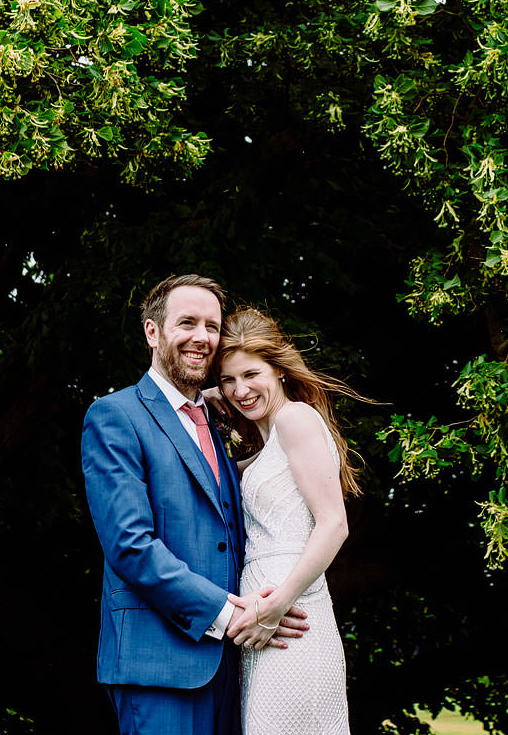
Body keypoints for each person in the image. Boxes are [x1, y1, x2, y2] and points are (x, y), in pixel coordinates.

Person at [81, 274, 308, 735]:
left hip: (236, 663)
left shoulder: (220, 416)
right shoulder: (115, 415)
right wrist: (230, 616)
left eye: (211, 326)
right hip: (159, 663)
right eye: (187, 323)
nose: (201, 337)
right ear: (152, 332)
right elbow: (130, 545)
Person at [213, 307, 371, 735]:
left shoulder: (293, 418)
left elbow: (334, 524)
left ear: (279, 369)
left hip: (291, 617)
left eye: (251, 374)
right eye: (228, 380)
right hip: (264, 621)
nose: (239, 390)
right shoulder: (265, 440)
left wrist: (278, 602)